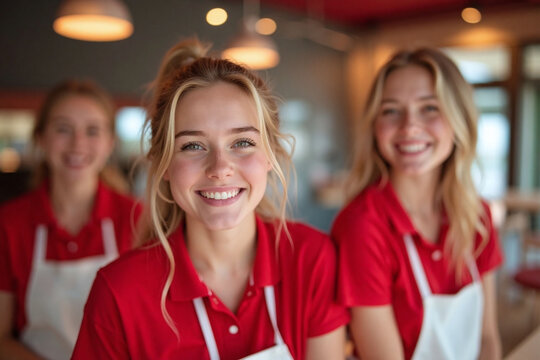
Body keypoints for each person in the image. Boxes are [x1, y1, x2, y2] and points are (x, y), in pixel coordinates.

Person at [71, 38, 349, 360]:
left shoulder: (311, 259)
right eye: (193, 146)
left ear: (270, 154)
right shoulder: (119, 291)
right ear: (163, 163)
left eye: (242, 142)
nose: (220, 168)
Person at [331, 48, 503, 360]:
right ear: (374, 126)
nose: (410, 126)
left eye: (429, 108)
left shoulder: (477, 215)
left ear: (458, 118)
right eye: (391, 111)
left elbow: (488, 340)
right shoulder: (362, 227)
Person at [0, 80, 141, 360]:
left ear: (110, 143)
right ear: (40, 138)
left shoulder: (138, 218)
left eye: (92, 131)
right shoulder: (9, 223)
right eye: (63, 129)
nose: (78, 144)